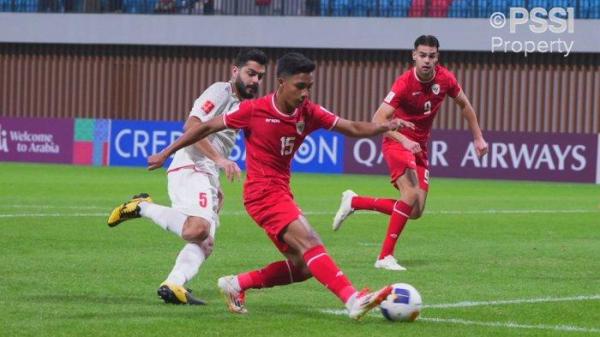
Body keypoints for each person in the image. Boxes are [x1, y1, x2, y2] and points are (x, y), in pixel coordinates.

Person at [147, 52, 414, 319]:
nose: (305, 93)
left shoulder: (309, 112)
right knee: (310, 241)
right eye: (300, 86)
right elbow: (203, 127)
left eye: (309, 87)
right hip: (262, 193)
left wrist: (386, 126)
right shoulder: (253, 109)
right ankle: (353, 299)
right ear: (282, 83)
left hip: (281, 191)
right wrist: (166, 152)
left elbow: (353, 127)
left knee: (303, 267)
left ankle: (236, 284)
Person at [107, 48, 268, 304]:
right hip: (191, 164)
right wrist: (217, 159)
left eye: (260, 76)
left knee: (207, 242)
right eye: (251, 73)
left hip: (206, 172)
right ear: (235, 71)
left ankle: (173, 284)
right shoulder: (221, 91)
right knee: (198, 229)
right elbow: (192, 126)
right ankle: (142, 208)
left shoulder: (242, 104)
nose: (255, 81)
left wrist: (215, 177)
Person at [331, 35, 489, 271]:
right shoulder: (404, 83)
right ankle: (385, 256)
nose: (427, 60)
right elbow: (378, 120)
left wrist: (478, 137)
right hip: (397, 142)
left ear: (438, 57)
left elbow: (464, 105)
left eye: (431, 56)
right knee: (411, 193)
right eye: (422, 55)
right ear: (413, 55)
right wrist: (403, 139)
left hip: (420, 147)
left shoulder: (445, 79)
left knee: (415, 210)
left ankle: (355, 201)